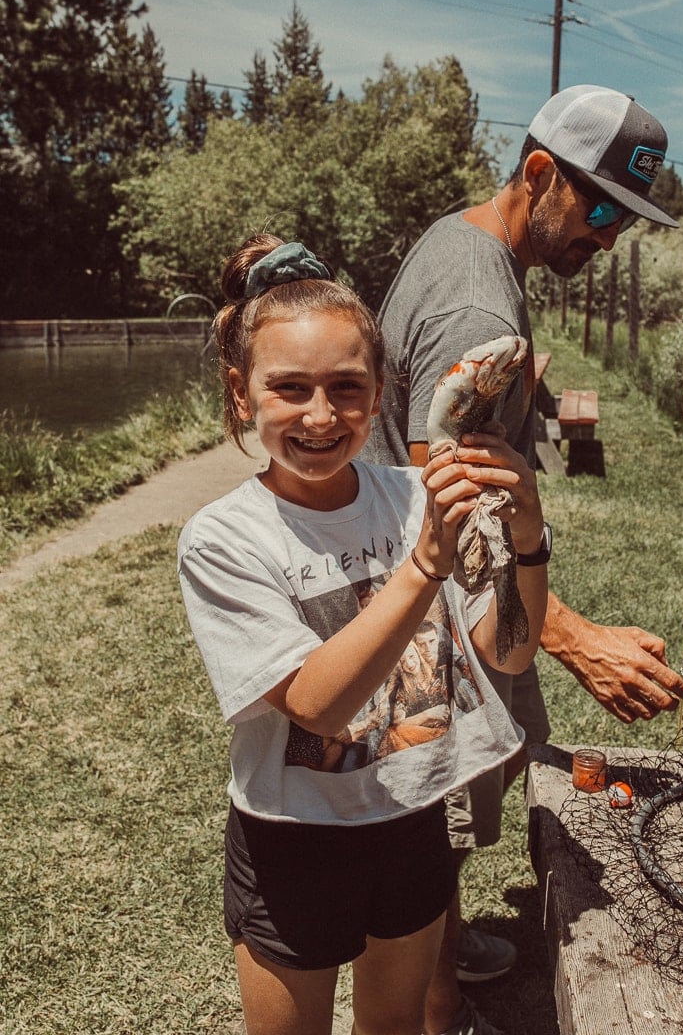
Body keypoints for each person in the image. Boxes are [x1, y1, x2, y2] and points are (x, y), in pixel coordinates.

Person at [366, 84, 683, 1035]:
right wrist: (576, 637)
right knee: (441, 818)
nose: (610, 239)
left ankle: (443, 943)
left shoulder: (466, 241)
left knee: (463, 798)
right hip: (441, 618)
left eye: (626, 219)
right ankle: (439, 1003)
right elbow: (452, 509)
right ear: (540, 172)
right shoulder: (480, 302)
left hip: (441, 602)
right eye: (600, 211)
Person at [177, 234, 551, 1035]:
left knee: (394, 1026)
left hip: (411, 818)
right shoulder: (224, 538)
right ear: (242, 395)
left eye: (347, 388)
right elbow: (315, 703)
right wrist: (420, 567)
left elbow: (508, 655)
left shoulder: (414, 493)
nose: (321, 415)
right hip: (292, 841)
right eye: (290, 390)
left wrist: (527, 536)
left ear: (381, 393)